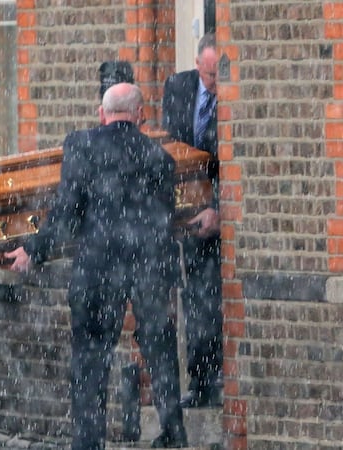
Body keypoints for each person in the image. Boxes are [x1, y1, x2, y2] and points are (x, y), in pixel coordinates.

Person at [5, 83, 188, 449]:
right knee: (159, 347)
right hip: (148, 265)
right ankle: (172, 431)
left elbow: (67, 211)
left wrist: (34, 249)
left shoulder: (82, 145)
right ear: (140, 116)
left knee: (90, 360)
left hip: (99, 268)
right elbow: (163, 219)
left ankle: (89, 442)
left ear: (101, 113)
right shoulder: (159, 158)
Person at [161, 32, 223, 409]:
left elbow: (232, 161)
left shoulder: (232, 94)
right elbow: (173, 149)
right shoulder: (178, 87)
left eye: (219, 75)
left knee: (211, 299)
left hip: (221, 214)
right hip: (186, 212)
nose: (214, 83)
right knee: (193, 299)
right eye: (209, 74)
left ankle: (214, 380)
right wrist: (183, 206)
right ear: (198, 63)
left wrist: (217, 206)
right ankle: (199, 382)